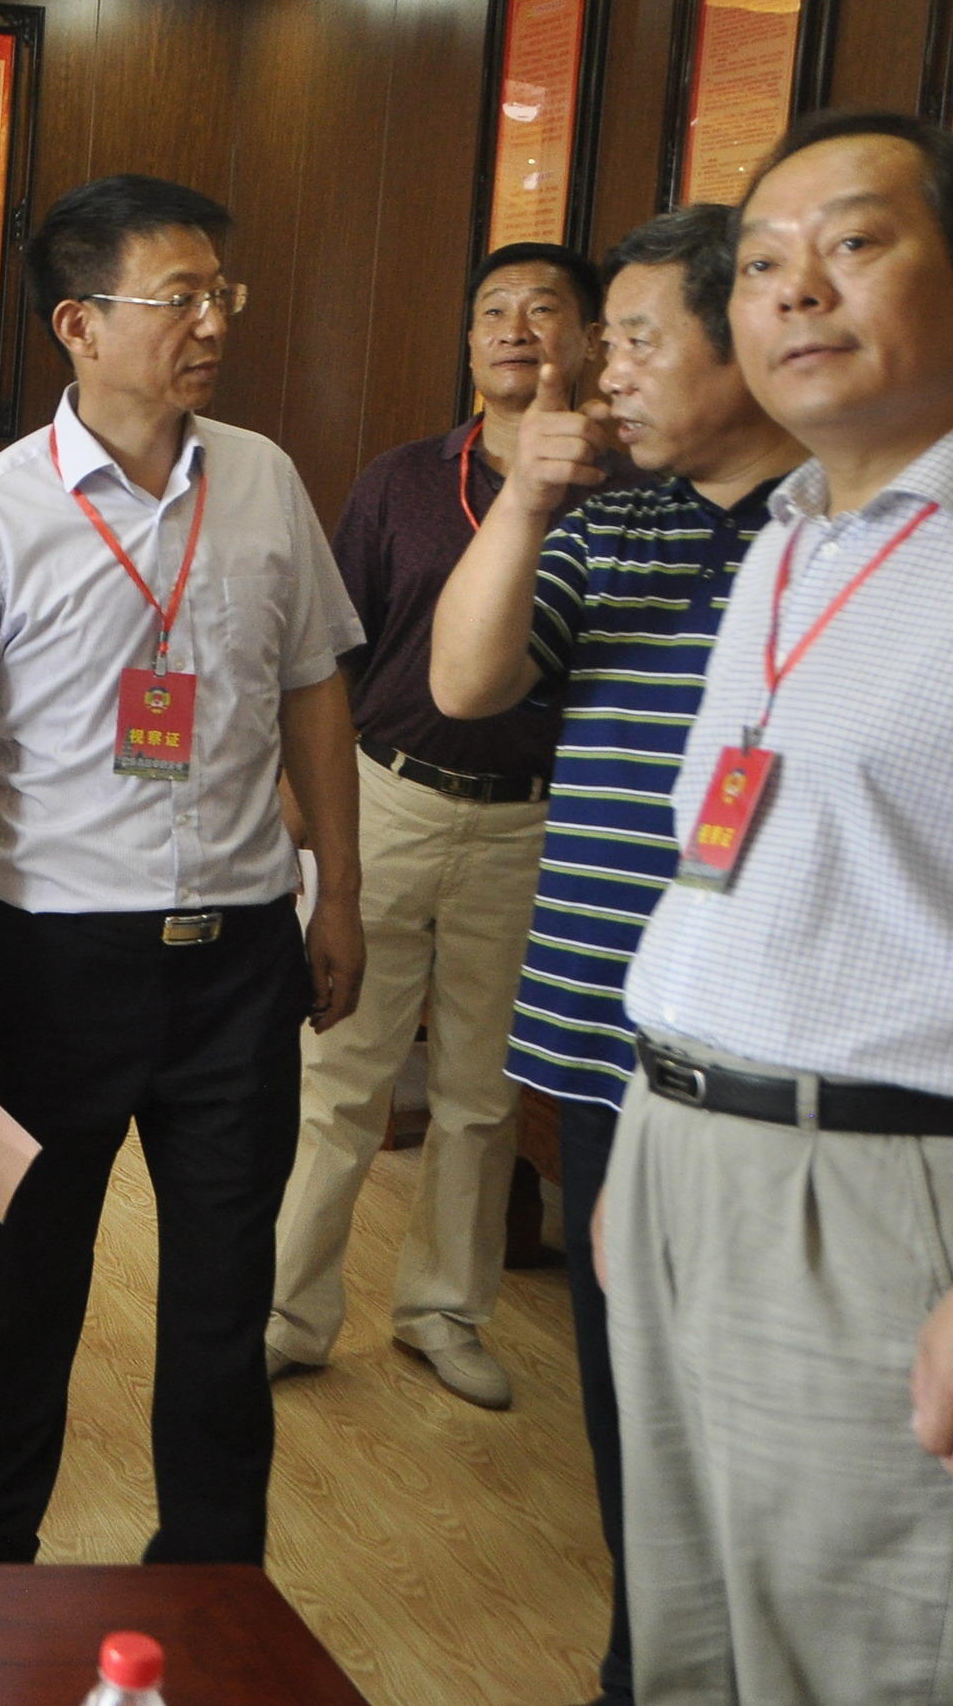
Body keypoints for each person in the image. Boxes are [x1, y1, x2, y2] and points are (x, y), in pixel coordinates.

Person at [603, 113, 953, 1701]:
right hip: (684, 1158)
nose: (793, 290)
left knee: (877, 1660)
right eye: (759, 263)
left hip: (898, 1196)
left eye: (851, 246)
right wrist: (649, 1145)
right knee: (692, 1649)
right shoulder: (790, 540)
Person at [0, 173, 365, 1567]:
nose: (212, 323)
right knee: (28, 1277)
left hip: (240, 960)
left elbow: (315, 690)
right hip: (53, 966)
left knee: (223, 1291)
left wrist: (338, 893)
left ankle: (212, 1570)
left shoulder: (262, 479)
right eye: (179, 297)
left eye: (221, 294)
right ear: (78, 324)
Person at [429, 205, 804, 1706]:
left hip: (767, 1063)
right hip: (598, 1039)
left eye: (637, 340)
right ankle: (649, 1665)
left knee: (767, 1416)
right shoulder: (610, 522)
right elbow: (464, 683)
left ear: (748, 339)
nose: (601, 373)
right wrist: (524, 500)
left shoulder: (840, 533)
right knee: (627, 1400)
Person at [268, 242, 605, 1411]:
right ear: (468, 344)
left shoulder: (620, 493)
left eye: (543, 309)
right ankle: (286, 1315)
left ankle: (443, 1314)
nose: (515, 327)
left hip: (533, 829)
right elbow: (330, 654)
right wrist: (304, 807)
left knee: (480, 1091)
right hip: (388, 798)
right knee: (338, 1074)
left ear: (589, 341)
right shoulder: (402, 480)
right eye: (493, 310)